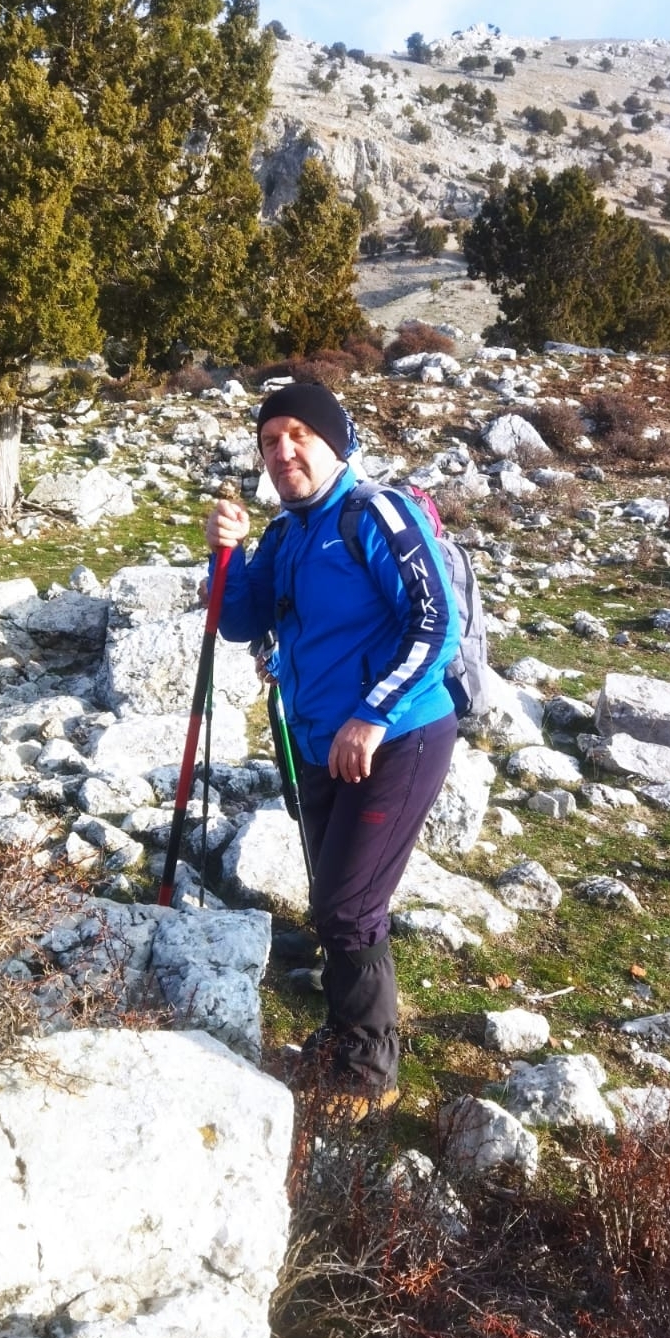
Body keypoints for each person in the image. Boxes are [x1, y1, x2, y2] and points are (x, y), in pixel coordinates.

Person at [205, 381, 459, 1114]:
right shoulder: (286, 534)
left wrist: (374, 714)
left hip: (399, 737)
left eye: (299, 435)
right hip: (316, 739)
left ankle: (369, 1073)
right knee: (334, 899)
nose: (283, 451)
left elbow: (434, 623)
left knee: (348, 906)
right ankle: (344, 1035)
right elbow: (239, 621)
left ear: (335, 443)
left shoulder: (375, 513)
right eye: (269, 440)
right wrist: (227, 555)